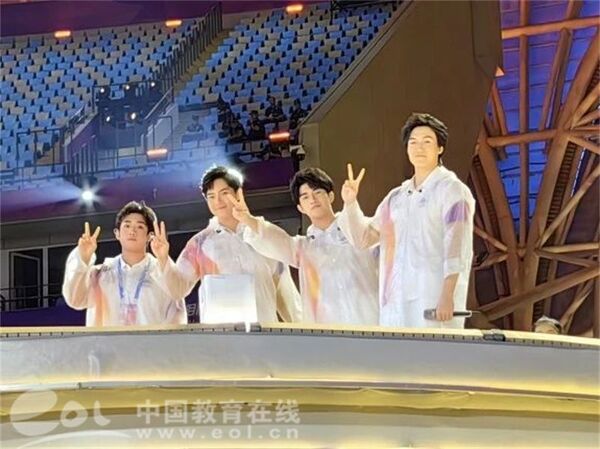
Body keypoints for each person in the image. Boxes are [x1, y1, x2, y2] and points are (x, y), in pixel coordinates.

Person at [339, 113, 475, 328]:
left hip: (432, 298)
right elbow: (364, 238)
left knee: (432, 349)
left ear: (440, 148)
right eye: (413, 142)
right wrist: (350, 203)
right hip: (396, 303)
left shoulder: (451, 190)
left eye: (427, 142)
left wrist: (448, 294)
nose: (419, 147)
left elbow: (457, 246)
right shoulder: (396, 197)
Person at [229, 167, 379, 326]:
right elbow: (276, 240)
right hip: (327, 335)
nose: (313, 199)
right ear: (300, 207)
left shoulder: (357, 232)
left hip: (371, 327)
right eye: (305, 197)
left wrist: (350, 203)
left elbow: (362, 234)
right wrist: (248, 219)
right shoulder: (303, 249)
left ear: (331, 196)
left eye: (317, 192)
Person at [161, 165, 302, 323]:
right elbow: (178, 289)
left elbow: (285, 291)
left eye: (224, 193)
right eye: (211, 196)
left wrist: (302, 329)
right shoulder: (200, 243)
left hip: (264, 331)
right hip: (221, 334)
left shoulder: (262, 234)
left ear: (238, 193)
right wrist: (163, 258)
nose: (218, 201)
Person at [62, 201, 187, 327]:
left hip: (150, 340)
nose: (132, 231)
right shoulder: (99, 274)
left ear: (150, 236)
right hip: (106, 340)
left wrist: (164, 258)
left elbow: (177, 319)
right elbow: (75, 300)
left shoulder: (164, 273)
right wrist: (83, 258)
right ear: (117, 233)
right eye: (127, 226)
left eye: (140, 227)